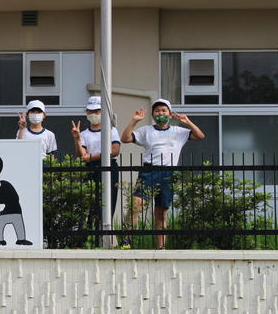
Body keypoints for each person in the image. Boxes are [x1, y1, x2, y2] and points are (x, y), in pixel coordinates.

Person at [120, 98, 205, 249]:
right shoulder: (146, 130)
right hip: (149, 171)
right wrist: (134, 120)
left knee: (161, 212)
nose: (160, 113)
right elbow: (125, 138)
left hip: (168, 173)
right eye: (157, 111)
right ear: (153, 114)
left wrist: (187, 122)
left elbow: (200, 136)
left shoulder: (178, 131)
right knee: (135, 205)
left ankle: (161, 247)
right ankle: (126, 242)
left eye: (164, 111)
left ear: (170, 114)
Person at [71, 96, 121, 226]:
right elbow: (81, 155)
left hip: (109, 166)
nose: (94, 114)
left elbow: (115, 150)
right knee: (90, 203)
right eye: (90, 111)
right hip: (90, 168)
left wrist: (92, 157)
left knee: (108, 201)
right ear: (86, 112)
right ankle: (90, 232)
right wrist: (77, 139)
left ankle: (105, 230)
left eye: (97, 111)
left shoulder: (111, 130)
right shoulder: (84, 134)